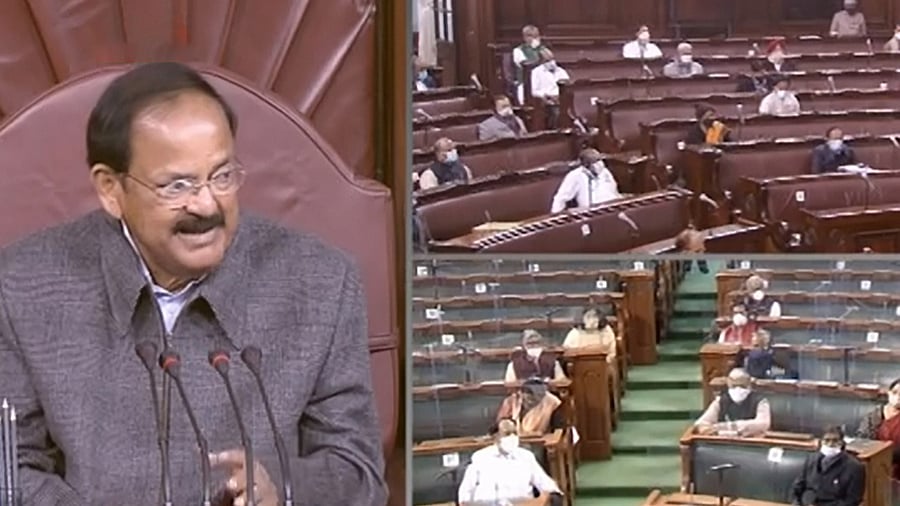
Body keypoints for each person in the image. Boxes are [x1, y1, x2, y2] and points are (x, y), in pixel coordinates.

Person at [0, 62, 386, 505]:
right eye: (177, 185)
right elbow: (13, 468)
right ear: (110, 189)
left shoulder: (320, 283)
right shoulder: (21, 287)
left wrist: (282, 486)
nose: (207, 205)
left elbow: (358, 474)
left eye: (222, 176)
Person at [457, 419, 564, 506]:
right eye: (506, 435)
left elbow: (546, 484)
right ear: (496, 438)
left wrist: (553, 495)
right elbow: (465, 491)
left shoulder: (526, 457)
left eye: (514, 434)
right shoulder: (481, 458)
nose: (511, 439)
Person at [791, 425, 866, 506]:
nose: (830, 444)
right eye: (826, 440)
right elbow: (797, 488)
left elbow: (852, 501)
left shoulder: (854, 467)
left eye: (835, 441)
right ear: (820, 442)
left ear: (842, 443)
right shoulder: (811, 460)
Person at [694, 368, 771, 437]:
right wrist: (733, 433)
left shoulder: (760, 401)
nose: (738, 389)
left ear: (749, 385)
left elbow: (763, 424)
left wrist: (722, 427)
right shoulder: (720, 401)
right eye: (734, 386)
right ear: (728, 385)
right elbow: (701, 424)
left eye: (742, 386)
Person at [550, 148, 623, 213]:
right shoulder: (575, 176)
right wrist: (556, 216)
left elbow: (614, 189)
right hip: (592, 212)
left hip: (613, 208)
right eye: (595, 162)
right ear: (586, 165)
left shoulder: (605, 172)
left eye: (599, 160)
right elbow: (560, 198)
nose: (600, 165)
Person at [856, 378, 900, 480]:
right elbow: (862, 440)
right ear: (889, 393)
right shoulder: (873, 416)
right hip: (874, 468)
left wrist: (885, 454)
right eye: (895, 392)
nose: (898, 397)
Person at [496, 378, 565, 437]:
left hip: (541, 444)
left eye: (536, 396)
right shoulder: (512, 401)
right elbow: (500, 425)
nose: (529, 399)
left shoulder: (553, 402)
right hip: (512, 441)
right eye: (526, 393)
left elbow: (559, 429)